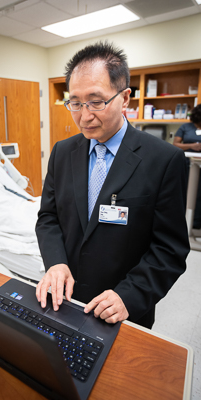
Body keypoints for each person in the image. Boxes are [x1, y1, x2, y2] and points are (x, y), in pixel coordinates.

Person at [35, 41, 190, 329]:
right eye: (76, 103)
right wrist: (55, 262)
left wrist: (128, 297)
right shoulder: (62, 152)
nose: (84, 116)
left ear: (125, 98)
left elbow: (169, 249)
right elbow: (48, 217)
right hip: (64, 300)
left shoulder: (164, 160)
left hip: (121, 310)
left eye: (96, 101)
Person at [173, 104, 201, 228]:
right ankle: (184, 220)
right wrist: (191, 146)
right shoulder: (186, 127)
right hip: (188, 164)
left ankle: (196, 222)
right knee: (186, 191)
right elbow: (175, 144)